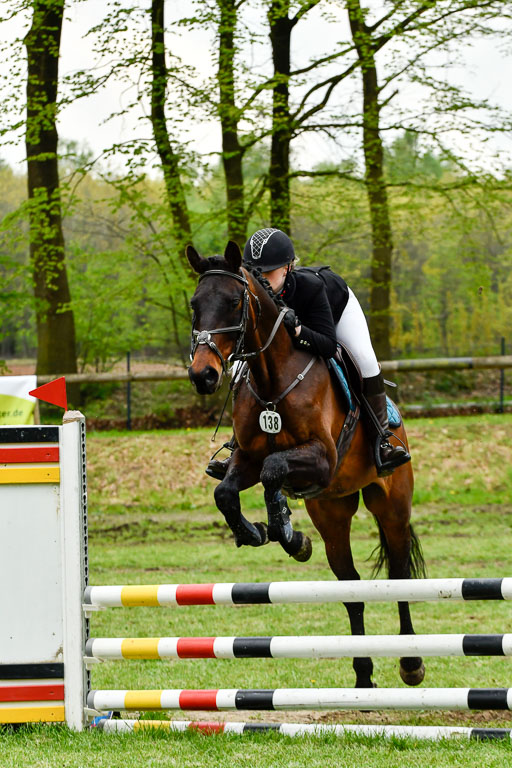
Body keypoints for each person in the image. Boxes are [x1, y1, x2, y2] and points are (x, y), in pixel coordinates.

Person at [207, 228, 410, 479]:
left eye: (267, 273)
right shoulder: (252, 295)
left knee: (365, 360)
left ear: (287, 268)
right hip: (300, 329)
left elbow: (327, 345)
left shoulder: (310, 287)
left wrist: (298, 330)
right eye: (255, 273)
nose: (260, 279)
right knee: (239, 368)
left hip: (336, 311)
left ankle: (382, 441)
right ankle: (237, 445)